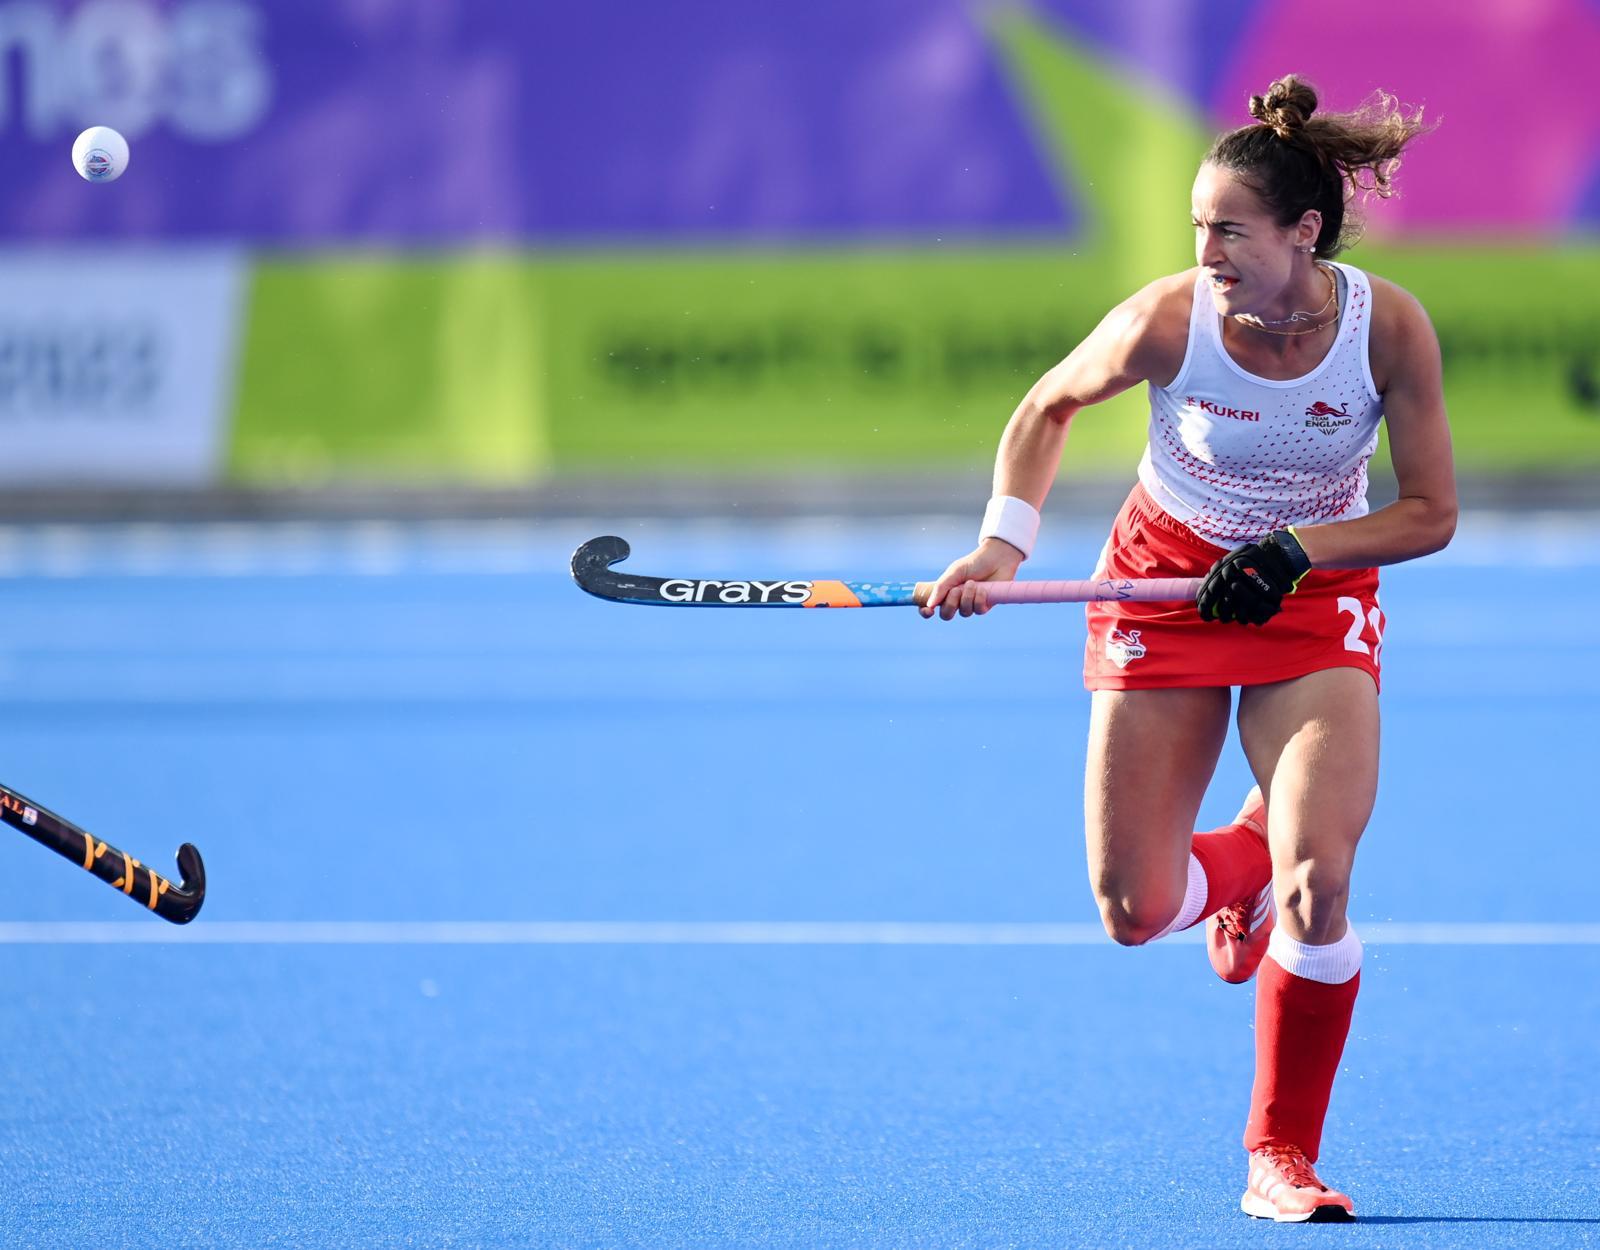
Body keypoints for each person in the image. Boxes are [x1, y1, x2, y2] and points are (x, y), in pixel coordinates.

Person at [921, 75, 1453, 1223]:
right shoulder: (1168, 318)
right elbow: (1046, 408)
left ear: (1302, 232)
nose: (1204, 248)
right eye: (1195, 227)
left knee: (1324, 883)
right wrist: (1000, 551)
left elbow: (1429, 514)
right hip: (1161, 583)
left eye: (1227, 228)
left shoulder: (1386, 328)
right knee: (1132, 905)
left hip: (1310, 596)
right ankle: (1242, 861)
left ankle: (1280, 1155)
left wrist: (1299, 549)